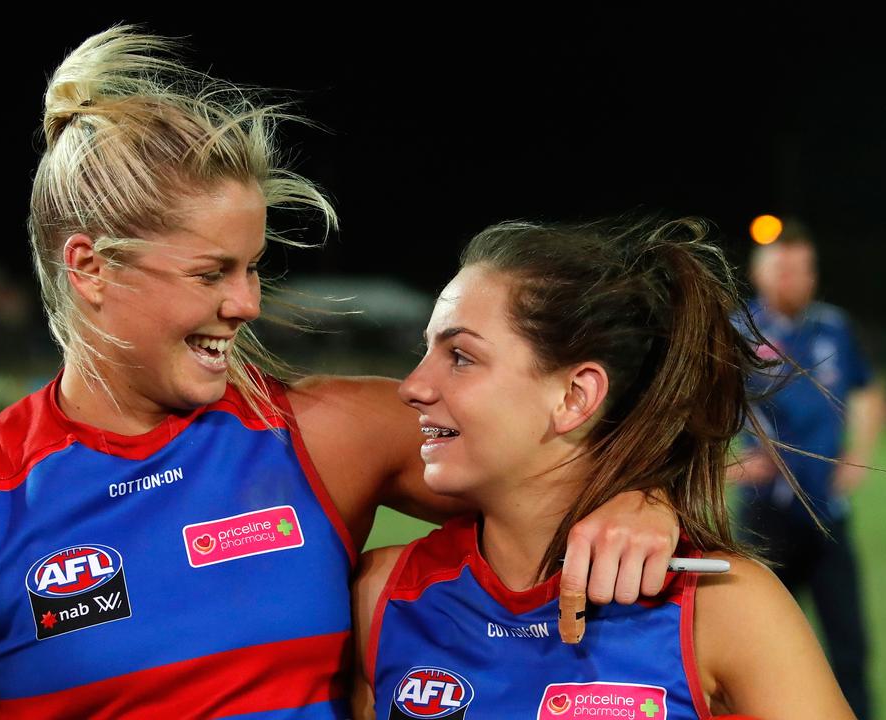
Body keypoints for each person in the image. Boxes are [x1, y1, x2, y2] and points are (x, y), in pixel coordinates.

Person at [0, 28, 679, 719]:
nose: (247, 303)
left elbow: (565, 446)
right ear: (90, 269)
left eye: (253, 268)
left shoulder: (318, 438)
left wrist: (640, 497)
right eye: (212, 272)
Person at [352, 218, 856, 719]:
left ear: (575, 396)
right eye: (427, 350)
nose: (412, 386)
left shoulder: (724, 609)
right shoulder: (386, 595)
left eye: (460, 356)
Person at [729, 223, 886, 719]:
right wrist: (730, 464)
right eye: (781, 268)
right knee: (754, 651)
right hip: (764, 520)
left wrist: (859, 452)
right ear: (758, 272)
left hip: (827, 512)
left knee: (850, 648)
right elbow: (697, 410)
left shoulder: (833, 326)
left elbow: (868, 389)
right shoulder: (738, 331)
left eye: (800, 268)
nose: (792, 278)